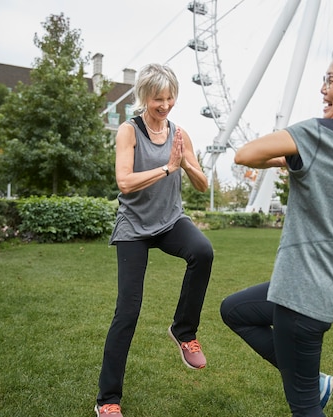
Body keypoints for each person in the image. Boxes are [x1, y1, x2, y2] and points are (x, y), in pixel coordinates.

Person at [220, 42, 333, 416]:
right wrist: (296, 162)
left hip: (301, 293)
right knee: (234, 310)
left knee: (304, 408)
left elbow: (244, 154)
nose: (323, 88)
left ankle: (309, 382)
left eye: (331, 79)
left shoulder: (319, 134)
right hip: (330, 288)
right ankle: (309, 379)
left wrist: (289, 159)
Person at [95, 63, 214, 417]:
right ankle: (108, 401)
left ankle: (183, 330)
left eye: (170, 97)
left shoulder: (180, 133)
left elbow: (203, 184)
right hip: (134, 226)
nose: (165, 104)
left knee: (202, 251)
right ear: (144, 97)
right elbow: (125, 182)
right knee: (127, 311)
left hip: (170, 221)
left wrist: (185, 164)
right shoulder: (129, 131)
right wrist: (166, 168)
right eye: (158, 98)